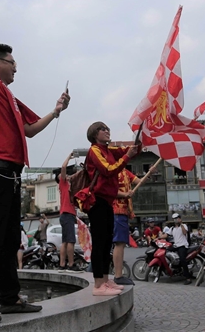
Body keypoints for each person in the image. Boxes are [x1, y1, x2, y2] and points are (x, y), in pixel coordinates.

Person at [0, 0, 70, 324]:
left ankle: (9, 299)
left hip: (12, 176)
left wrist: (56, 111)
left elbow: (29, 130)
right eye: (13, 63)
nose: (16, 69)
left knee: (11, 240)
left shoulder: (11, 98)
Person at [85, 121, 138, 296]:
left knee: (107, 241)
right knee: (99, 242)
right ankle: (98, 285)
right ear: (94, 134)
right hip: (97, 201)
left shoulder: (108, 150)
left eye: (107, 128)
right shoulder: (95, 150)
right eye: (102, 129)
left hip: (107, 201)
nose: (107, 131)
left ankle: (105, 280)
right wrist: (127, 156)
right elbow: (108, 169)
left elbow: (126, 151)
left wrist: (140, 140)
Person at [112, 166, 141, 285]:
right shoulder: (112, 171)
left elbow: (139, 181)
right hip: (116, 210)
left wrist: (149, 174)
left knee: (121, 243)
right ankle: (118, 275)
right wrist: (125, 194)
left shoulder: (124, 171)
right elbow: (110, 190)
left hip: (122, 212)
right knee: (119, 243)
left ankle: (118, 274)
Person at [56, 152, 81, 273]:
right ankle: (71, 265)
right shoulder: (63, 184)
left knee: (65, 241)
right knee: (70, 240)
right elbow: (64, 167)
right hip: (67, 214)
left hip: (65, 214)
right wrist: (69, 157)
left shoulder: (68, 185)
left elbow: (77, 175)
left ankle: (62, 265)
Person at [165, 213, 193, 284]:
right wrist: (158, 238)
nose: (176, 220)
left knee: (183, 260)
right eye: (174, 219)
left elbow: (184, 232)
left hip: (183, 246)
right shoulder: (172, 228)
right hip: (176, 246)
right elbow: (166, 235)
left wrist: (181, 224)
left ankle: (188, 278)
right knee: (166, 251)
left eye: (177, 218)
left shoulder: (183, 226)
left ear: (180, 219)